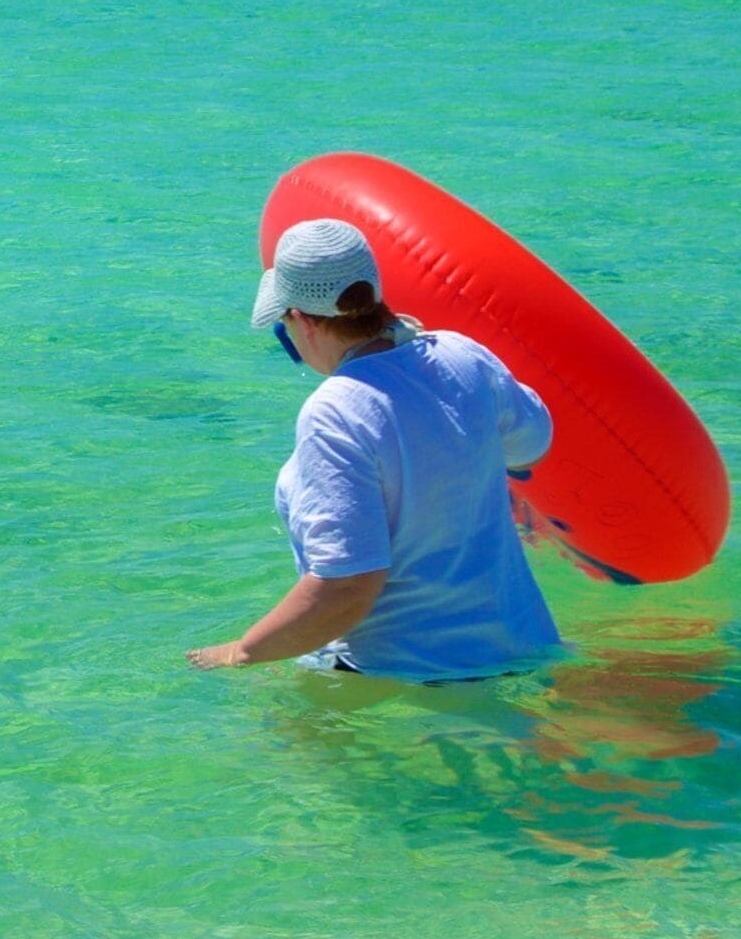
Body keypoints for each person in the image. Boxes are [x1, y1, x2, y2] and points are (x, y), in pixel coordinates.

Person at [187, 218, 563, 682]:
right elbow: (533, 443)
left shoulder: (336, 410)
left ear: (301, 320)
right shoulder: (462, 355)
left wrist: (239, 653)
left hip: (414, 680)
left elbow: (347, 586)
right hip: (526, 649)